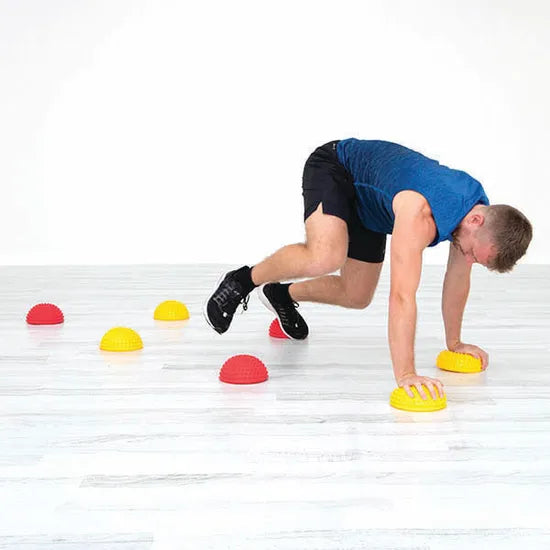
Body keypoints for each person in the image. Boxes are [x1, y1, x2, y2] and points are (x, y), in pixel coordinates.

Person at [204, 139, 533, 400]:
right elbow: (402, 296)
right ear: (476, 220)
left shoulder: (477, 216)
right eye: (473, 254)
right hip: (338, 169)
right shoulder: (420, 214)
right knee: (325, 256)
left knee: (357, 295)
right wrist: (406, 374)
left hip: (372, 207)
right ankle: (242, 280)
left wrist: (455, 342)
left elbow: (458, 279)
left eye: (477, 260)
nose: (468, 259)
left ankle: (281, 294)